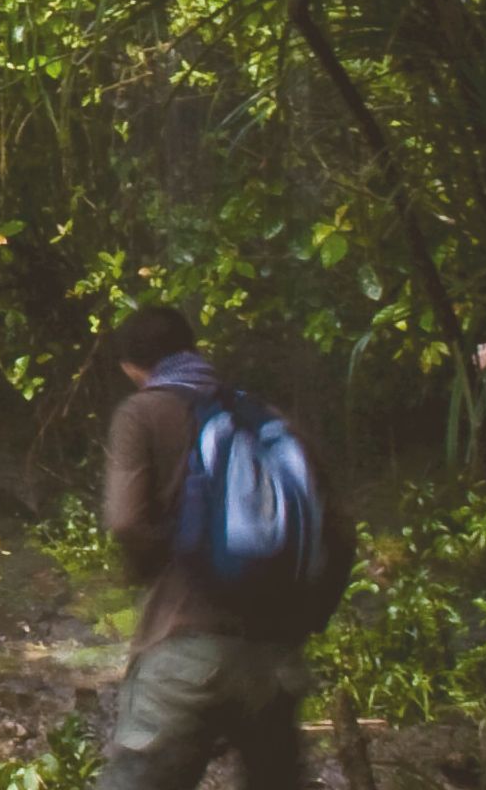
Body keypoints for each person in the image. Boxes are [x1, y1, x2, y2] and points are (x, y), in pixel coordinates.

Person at [98, 307, 352, 790]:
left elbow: (127, 521)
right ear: (192, 348)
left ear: (132, 366)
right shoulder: (264, 418)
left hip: (186, 651)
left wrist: (155, 575)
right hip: (276, 661)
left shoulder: (144, 412)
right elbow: (339, 529)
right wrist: (308, 618)